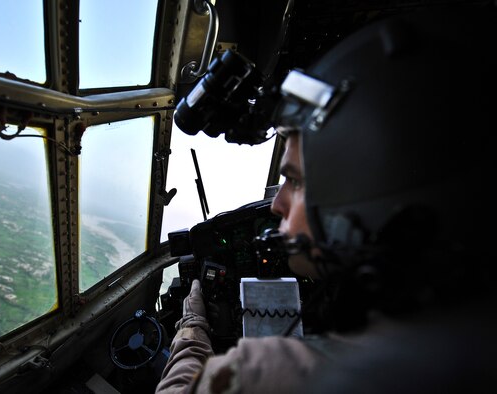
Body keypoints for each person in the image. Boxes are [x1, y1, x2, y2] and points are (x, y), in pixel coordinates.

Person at [156, 8, 497, 394]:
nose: (276, 205)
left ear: (363, 197)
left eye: (295, 181)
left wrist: (191, 326)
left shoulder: (265, 374)